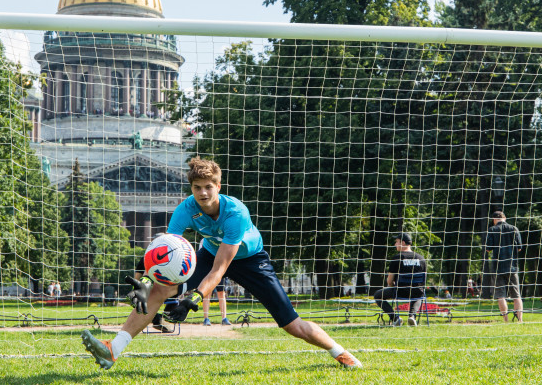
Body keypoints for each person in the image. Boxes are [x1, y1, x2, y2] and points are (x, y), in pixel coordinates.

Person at [81, 157, 362, 369]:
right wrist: (145, 281)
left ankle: (340, 352)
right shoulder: (185, 209)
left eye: (208, 187)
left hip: (249, 259)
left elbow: (220, 269)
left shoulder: (236, 212)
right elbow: (164, 253)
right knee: (159, 290)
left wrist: (194, 298)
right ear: (191, 188)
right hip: (210, 251)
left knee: (292, 325)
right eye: (197, 188)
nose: (202, 193)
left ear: (218, 186)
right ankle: (113, 349)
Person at [373, 233, 427, 327]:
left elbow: (389, 281)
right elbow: (424, 280)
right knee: (419, 294)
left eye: (396, 242)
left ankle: (395, 318)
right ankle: (412, 316)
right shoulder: (421, 258)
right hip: (416, 291)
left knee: (378, 295)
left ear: (403, 242)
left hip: (400, 291)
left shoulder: (397, 258)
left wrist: (393, 286)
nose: (395, 244)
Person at [485, 211, 524, 323]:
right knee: (516, 295)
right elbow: (519, 248)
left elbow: (488, 249)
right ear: (505, 218)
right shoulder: (514, 228)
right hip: (512, 266)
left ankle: (506, 321)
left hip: (497, 267)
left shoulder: (492, 229)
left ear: (494, 220)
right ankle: (520, 320)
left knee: (501, 295)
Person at [133, 257, 175, 333]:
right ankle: (164, 319)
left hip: (150, 293)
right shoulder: (173, 258)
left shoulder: (146, 258)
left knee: (138, 297)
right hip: (169, 292)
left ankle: (157, 318)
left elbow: (137, 278)